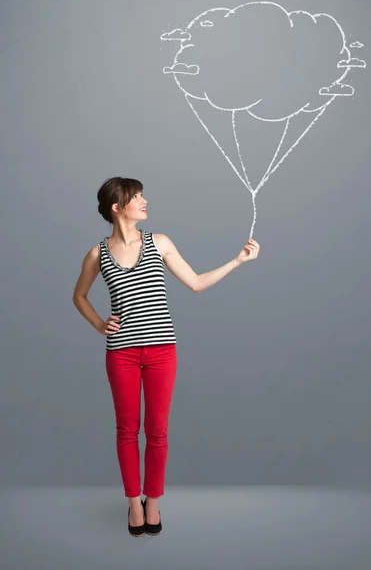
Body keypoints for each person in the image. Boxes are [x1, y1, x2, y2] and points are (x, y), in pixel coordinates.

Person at [72, 176, 260, 536]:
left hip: (161, 352)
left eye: (143, 195)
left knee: (157, 431)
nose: (144, 200)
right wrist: (99, 324)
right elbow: (79, 296)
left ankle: (152, 501)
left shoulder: (159, 243)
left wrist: (237, 261)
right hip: (121, 355)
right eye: (136, 196)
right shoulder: (98, 253)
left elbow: (196, 282)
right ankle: (133, 505)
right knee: (127, 431)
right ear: (117, 207)